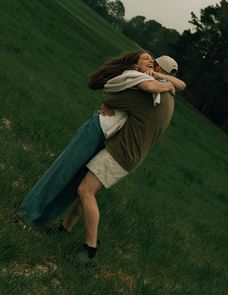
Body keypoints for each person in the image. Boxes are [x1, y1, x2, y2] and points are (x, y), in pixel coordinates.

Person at [16, 51, 185, 234]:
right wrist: (167, 84)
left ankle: (40, 219)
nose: (150, 61)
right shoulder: (133, 75)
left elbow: (179, 85)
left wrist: (164, 81)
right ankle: (26, 214)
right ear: (135, 64)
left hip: (109, 138)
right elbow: (149, 87)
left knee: (74, 184)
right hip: (97, 128)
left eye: (152, 60)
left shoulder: (152, 81)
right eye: (145, 58)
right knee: (63, 171)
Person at [54, 53, 186, 266]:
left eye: (154, 65)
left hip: (121, 152)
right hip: (131, 155)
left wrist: (112, 100)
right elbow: (178, 85)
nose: (149, 65)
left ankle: (90, 251)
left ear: (158, 71)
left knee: (85, 191)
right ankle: (64, 230)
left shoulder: (148, 96)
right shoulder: (168, 99)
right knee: (88, 191)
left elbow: (111, 98)